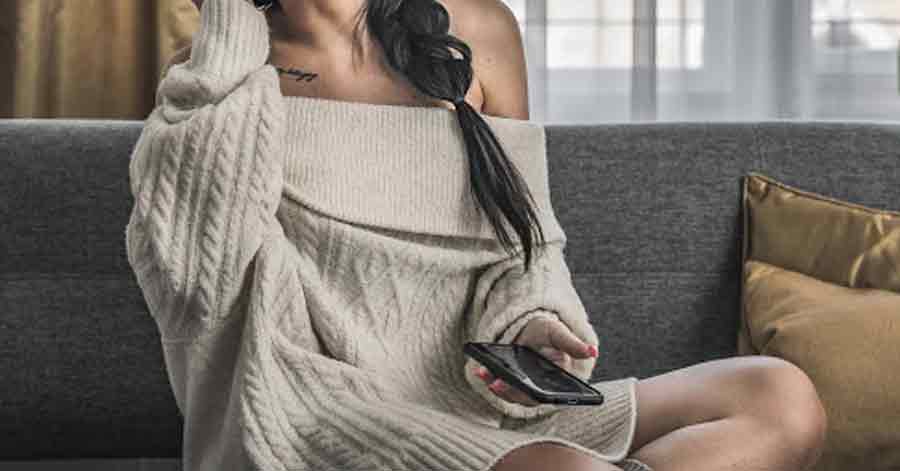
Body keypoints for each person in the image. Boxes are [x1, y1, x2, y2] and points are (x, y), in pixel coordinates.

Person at [126, 0, 828, 470]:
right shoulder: (221, 71)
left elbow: (524, 244)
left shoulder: (477, 28)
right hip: (316, 408)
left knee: (779, 394)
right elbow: (197, 280)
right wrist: (225, 21)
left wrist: (532, 327)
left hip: (475, 398)